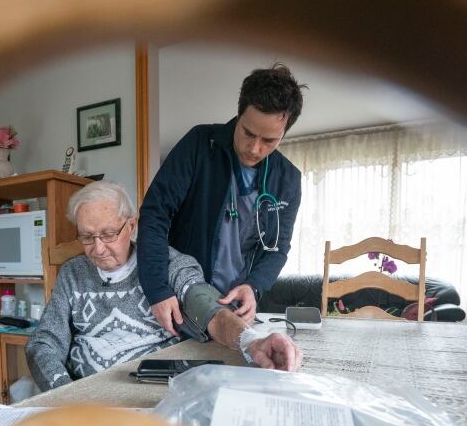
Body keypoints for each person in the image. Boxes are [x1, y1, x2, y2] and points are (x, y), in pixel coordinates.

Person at [26, 180, 303, 391]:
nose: (97, 249)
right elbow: (45, 342)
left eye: (109, 234)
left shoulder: (165, 263)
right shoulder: (72, 273)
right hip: (83, 396)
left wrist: (252, 341)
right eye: (87, 237)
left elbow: (205, 305)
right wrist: (63, 390)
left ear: (131, 226)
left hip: (148, 391)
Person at [137, 63, 307, 336]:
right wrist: (157, 289)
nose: (254, 148)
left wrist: (254, 286)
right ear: (238, 114)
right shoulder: (200, 144)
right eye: (248, 133)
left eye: (269, 141)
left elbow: (278, 249)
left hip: (237, 307)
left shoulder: (287, 179)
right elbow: (154, 216)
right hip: (182, 300)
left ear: (284, 133)